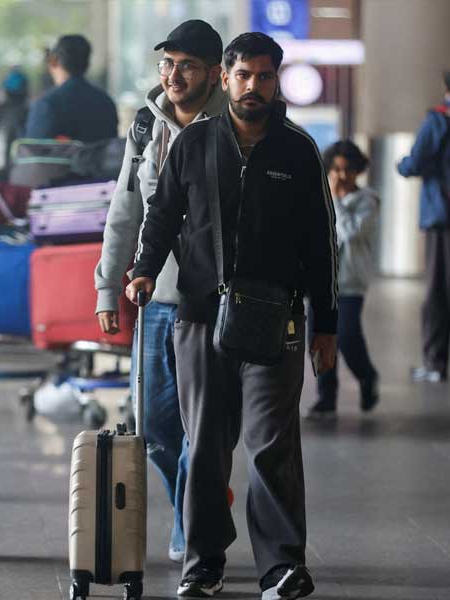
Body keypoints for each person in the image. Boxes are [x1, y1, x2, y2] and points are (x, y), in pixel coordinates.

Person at [125, 32, 337, 599]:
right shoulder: (194, 144)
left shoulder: (297, 151)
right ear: (225, 78)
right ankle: (204, 564)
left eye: (264, 77)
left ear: (276, 82)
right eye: (243, 76)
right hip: (200, 316)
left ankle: (281, 567)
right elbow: (161, 214)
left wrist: (327, 324)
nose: (253, 87)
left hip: (278, 320)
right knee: (207, 447)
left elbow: (322, 243)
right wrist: (143, 269)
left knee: (272, 444)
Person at [95, 19, 227, 564]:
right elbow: (124, 211)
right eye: (166, 64)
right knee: (152, 424)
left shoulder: (233, 126)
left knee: (206, 425)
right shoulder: (146, 127)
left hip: (211, 302)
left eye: (187, 65)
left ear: (215, 74)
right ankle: (196, 505)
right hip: (153, 299)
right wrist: (108, 287)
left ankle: (193, 530)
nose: (173, 75)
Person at [305, 140, 380, 419]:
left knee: (347, 337)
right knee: (318, 339)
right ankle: (326, 398)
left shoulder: (368, 201)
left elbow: (350, 232)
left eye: (347, 169)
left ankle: (367, 376)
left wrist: (335, 201)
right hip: (321, 282)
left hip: (350, 283)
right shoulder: (318, 196)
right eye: (335, 169)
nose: (340, 175)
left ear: (357, 170)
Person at [398, 71, 450, 384]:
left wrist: (402, 164)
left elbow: (413, 163)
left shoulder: (438, 120)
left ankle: (435, 362)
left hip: (442, 215)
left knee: (437, 291)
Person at [24, 34, 117, 143]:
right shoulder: (106, 103)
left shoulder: (47, 105)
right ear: (87, 64)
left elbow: (32, 155)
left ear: (53, 61)